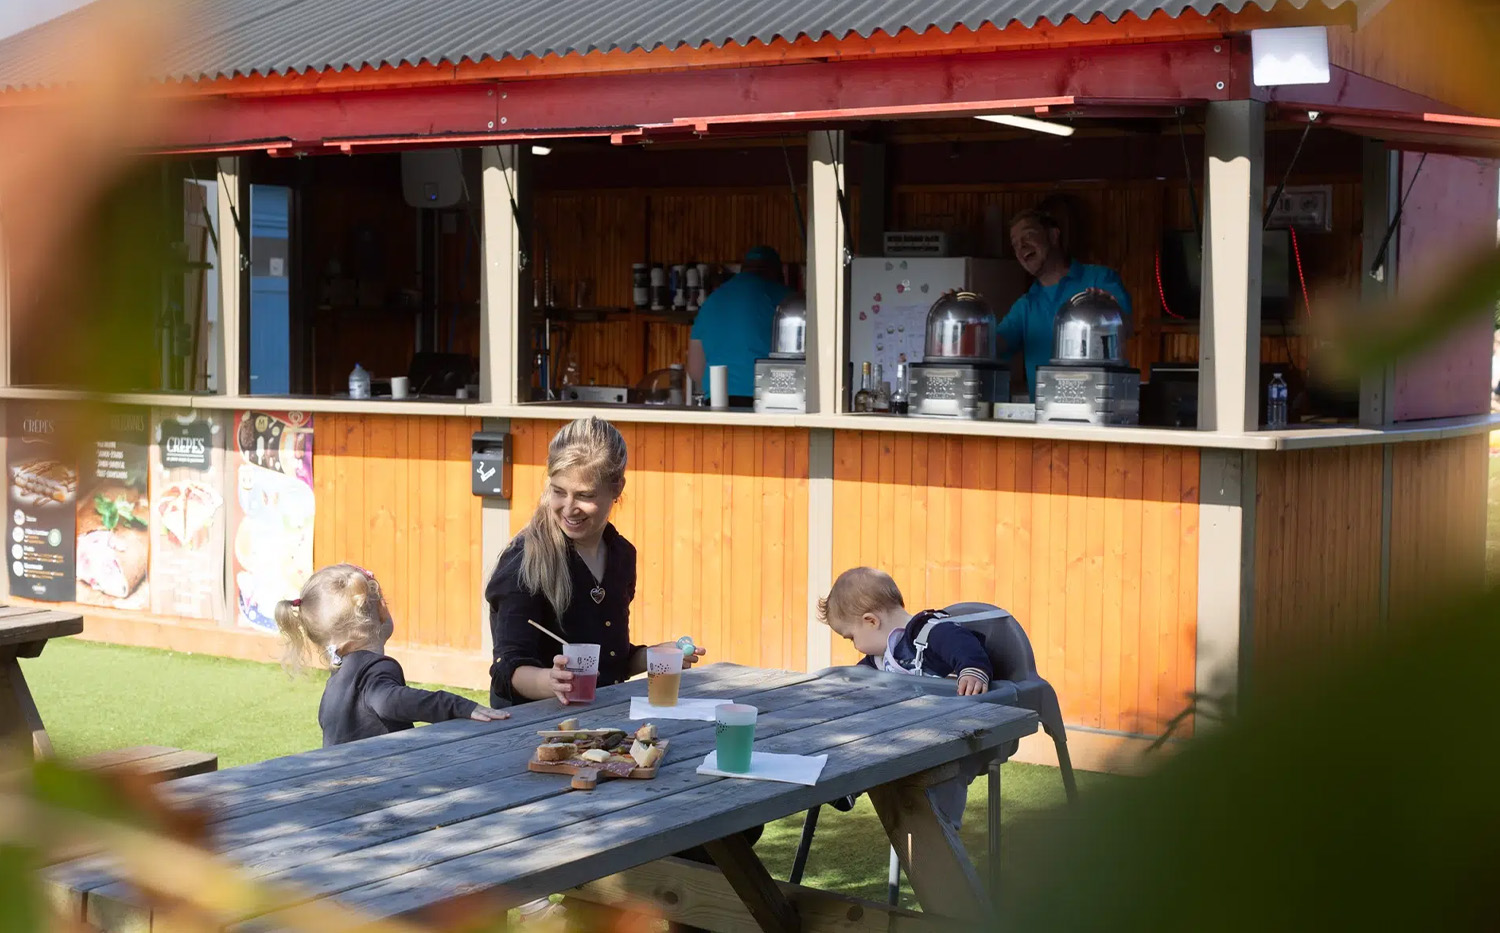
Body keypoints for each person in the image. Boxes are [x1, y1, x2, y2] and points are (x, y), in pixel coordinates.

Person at [485, 416, 705, 707]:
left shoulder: (621, 555)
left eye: (585, 495)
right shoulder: (523, 560)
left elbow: (613, 661)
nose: (569, 507)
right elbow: (507, 670)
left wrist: (655, 657)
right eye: (558, 491)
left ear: (617, 488)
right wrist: (550, 681)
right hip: (532, 729)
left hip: (601, 723)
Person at [816, 566, 993, 830]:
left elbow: (962, 645)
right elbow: (860, 678)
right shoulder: (882, 656)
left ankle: (943, 828)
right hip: (906, 739)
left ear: (871, 621)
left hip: (948, 738)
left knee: (941, 790)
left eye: (851, 637)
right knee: (858, 733)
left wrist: (972, 670)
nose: (854, 645)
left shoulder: (929, 632)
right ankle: (850, 785)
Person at [274, 563, 509, 748]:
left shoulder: (336, 682)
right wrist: (458, 705)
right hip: (382, 787)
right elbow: (392, 700)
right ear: (382, 611)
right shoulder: (376, 670)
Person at [999, 209, 1133, 399]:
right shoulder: (1026, 305)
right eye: (1014, 244)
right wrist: (966, 323)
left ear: (1053, 236)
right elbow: (995, 345)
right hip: (1045, 418)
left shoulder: (1100, 278)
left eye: (1028, 235)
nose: (1021, 246)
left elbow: (1126, 329)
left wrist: (1113, 314)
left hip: (1098, 410)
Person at [688, 246, 791, 406]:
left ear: (743, 270)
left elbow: (695, 370)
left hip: (718, 401)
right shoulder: (787, 299)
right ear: (778, 272)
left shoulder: (712, 301)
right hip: (772, 402)